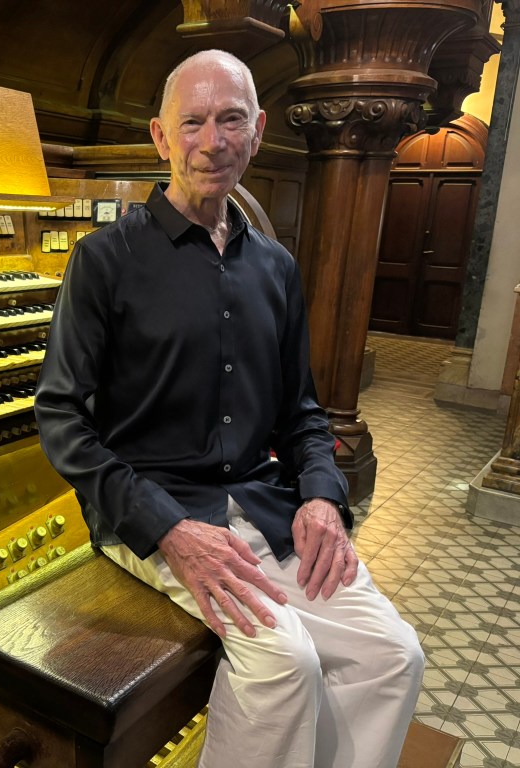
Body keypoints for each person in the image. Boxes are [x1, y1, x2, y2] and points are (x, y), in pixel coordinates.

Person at [34, 49, 424, 768]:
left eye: (231, 119)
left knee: (395, 655)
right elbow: (60, 419)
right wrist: (169, 528)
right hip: (155, 518)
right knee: (285, 664)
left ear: (256, 129)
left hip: (262, 508)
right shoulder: (104, 260)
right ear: (160, 136)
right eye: (193, 122)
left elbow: (302, 413)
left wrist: (321, 500)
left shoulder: (275, 268)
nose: (212, 141)